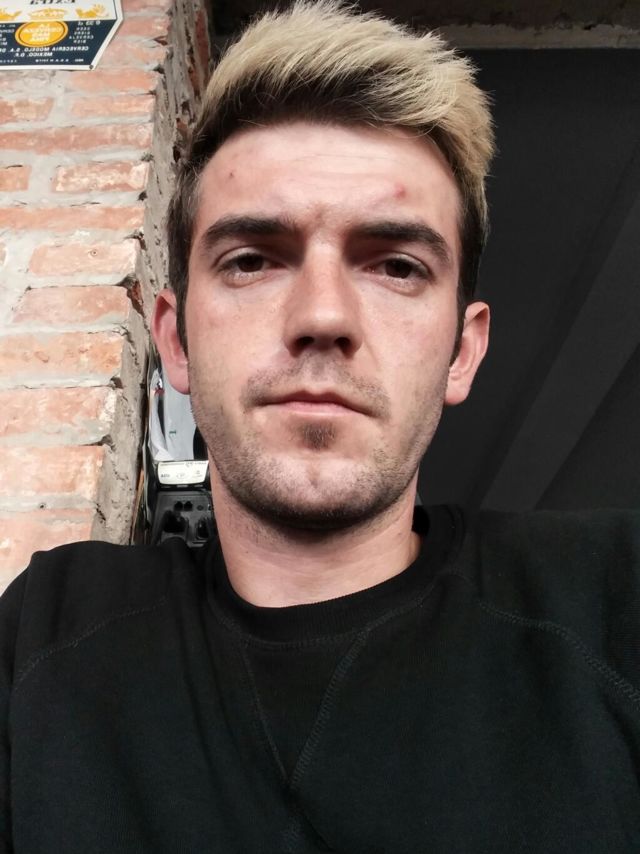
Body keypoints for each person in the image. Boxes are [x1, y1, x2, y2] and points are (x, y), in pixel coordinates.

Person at [1, 2, 639, 851]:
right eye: (252, 260)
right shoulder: (49, 635)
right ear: (175, 341)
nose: (323, 317)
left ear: (462, 352)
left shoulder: (612, 601)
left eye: (397, 265)